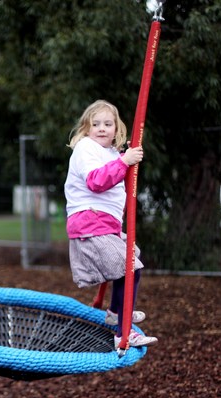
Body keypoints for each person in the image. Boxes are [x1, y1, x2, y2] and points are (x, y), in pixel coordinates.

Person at [64, 99, 158, 348]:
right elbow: (96, 181)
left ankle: (117, 312)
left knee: (133, 260)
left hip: (105, 224)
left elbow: (118, 175)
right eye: (96, 124)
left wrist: (125, 158)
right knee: (129, 266)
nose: (102, 128)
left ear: (117, 129)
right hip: (89, 223)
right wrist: (124, 162)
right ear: (86, 128)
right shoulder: (85, 148)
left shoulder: (110, 153)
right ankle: (123, 333)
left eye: (108, 124)